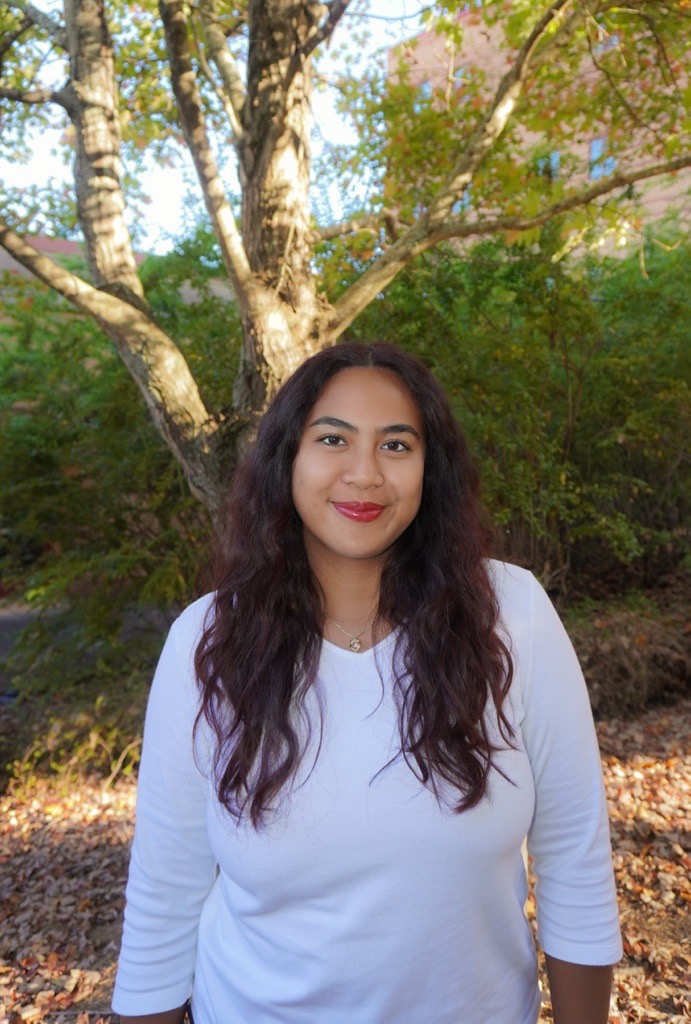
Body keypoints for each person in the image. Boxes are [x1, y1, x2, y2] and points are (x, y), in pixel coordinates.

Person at [112, 342, 622, 1024]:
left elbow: (573, 858)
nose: (364, 473)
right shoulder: (208, 641)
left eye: (396, 446)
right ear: (286, 459)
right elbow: (164, 894)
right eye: (332, 439)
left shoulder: (513, 614)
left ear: (428, 469)